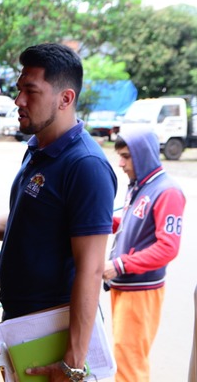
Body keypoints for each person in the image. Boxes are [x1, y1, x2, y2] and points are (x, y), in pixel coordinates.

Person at [0, 43, 117, 381]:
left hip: (52, 330)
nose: (19, 100)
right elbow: (30, 221)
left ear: (65, 99)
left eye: (30, 91)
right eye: (19, 89)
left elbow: (91, 270)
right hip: (21, 321)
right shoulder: (38, 149)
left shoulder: (85, 166)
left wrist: (74, 363)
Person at [102, 129, 185, 382]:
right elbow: (131, 225)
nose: (121, 163)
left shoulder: (167, 191)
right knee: (123, 355)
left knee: (130, 362)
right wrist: (98, 221)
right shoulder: (141, 186)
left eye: (126, 156)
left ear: (143, 155)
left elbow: (168, 247)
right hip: (124, 286)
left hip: (141, 290)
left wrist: (120, 264)